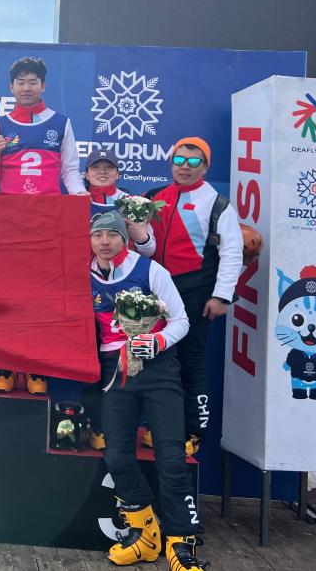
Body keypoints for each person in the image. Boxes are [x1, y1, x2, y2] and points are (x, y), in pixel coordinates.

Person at [88, 210, 207, 571]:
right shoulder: (84, 274)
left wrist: (157, 341)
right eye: (98, 235)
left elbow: (181, 321)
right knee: (117, 456)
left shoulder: (150, 270)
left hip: (158, 368)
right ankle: (146, 534)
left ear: (124, 238)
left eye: (112, 234)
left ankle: (181, 544)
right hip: (116, 370)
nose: (105, 242)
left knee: (171, 458)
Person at [0, 56, 86, 395]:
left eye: (32, 82)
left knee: (40, 297)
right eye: (20, 82)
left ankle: (35, 368)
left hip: (46, 223)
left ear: (43, 85)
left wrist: (80, 198)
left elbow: (70, 171)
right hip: (8, 224)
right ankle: (5, 365)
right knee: (5, 295)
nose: (26, 88)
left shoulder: (61, 123)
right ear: (11, 88)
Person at [145, 137, 243, 455]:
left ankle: (193, 432)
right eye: (179, 160)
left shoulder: (217, 204)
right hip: (156, 291)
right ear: (171, 162)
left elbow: (232, 253)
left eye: (193, 162)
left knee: (191, 362)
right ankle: (159, 428)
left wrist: (222, 297)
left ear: (205, 166)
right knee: (155, 362)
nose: (184, 167)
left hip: (195, 293)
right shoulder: (154, 197)